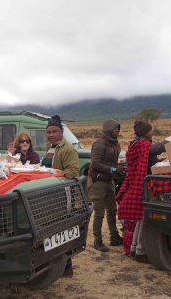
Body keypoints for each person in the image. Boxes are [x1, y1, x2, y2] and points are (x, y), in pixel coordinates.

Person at [117, 120, 171, 262]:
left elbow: (152, 156)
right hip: (143, 185)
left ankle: (134, 248)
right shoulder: (143, 144)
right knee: (145, 219)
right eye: (150, 130)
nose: (152, 132)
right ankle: (140, 252)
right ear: (145, 132)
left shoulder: (135, 144)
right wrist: (170, 141)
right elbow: (155, 149)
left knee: (140, 218)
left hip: (137, 184)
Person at [41, 115, 79, 277]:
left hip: (64, 195)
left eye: (54, 131)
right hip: (51, 196)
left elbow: (74, 172)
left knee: (63, 229)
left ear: (61, 132)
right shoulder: (51, 148)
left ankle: (67, 267)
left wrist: (55, 174)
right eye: (48, 132)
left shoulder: (67, 149)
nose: (51, 134)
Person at [88, 119, 124, 252]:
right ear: (108, 129)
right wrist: (113, 169)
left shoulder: (114, 143)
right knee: (99, 212)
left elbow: (110, 162)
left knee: (112, 210)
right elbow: (95, 163)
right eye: (115, 128)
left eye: (118, 129)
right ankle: (98, 241)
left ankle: (114, 237)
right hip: (98, 181)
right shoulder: (99, 143)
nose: (118, 131)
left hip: (109, 180)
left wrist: (118, 167)